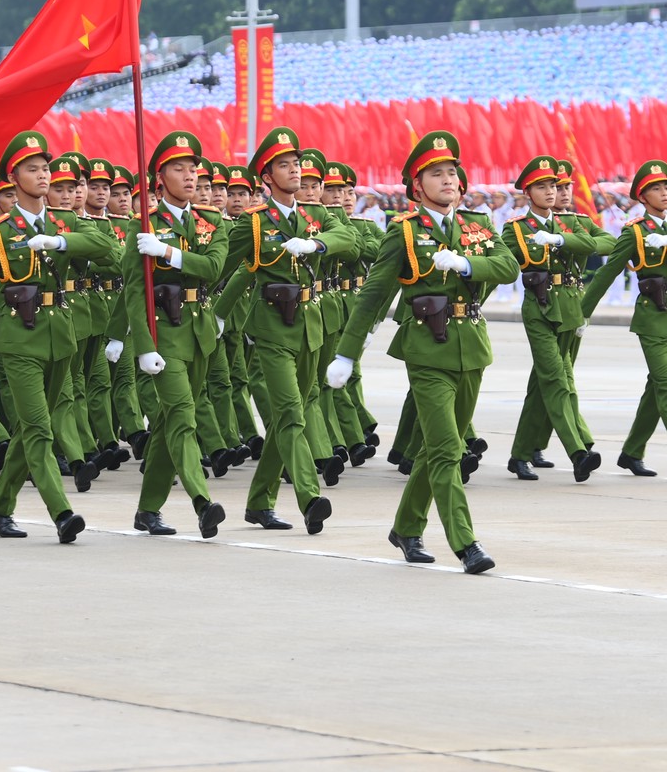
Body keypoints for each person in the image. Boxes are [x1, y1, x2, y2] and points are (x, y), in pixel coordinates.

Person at [328, 130, 514, 574]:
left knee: (435, 449)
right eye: (437, 173)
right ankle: (466, 543)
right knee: (449, 449)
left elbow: (508, 266)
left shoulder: (479, 226)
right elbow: (373, 296)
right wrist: (346, 354)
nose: (448, 179)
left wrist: (468, 263)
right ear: (417, 185)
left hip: (472, 348)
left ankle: (407, 527)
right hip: (427, 350)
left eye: (452, 171)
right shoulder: (405, 233)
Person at [0, 131, 114, 545]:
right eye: (34, 169)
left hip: (60, 333)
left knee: (32, 431)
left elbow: (108, 249)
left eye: (45, 168)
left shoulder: (65, 222)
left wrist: (60, 240)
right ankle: (61, 511)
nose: (44, 176)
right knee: (39, 429)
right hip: (17, 338)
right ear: (14, 178)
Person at [212, 126, 356, 536]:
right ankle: (310, 498)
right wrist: (213, 311)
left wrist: (317, 245)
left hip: (311, 325)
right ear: (267, 178)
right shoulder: (254, 225)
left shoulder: (318, 215)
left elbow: (346, 237)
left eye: (295, 163)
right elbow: (226, 269)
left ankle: (259, 503)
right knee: (291, 413)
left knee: (283, 421)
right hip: (273, 328)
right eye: (284, 166)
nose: (294, 171)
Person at [120, 131, 229, 538]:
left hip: (199, 332)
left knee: (168, 424)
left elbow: (214, 268)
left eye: (192, 168)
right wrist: (143, 346)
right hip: (165, 333)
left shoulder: (210, 222)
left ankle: (148, 510)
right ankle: (203, 503)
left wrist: (167, 253)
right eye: (178, 169)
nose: (188, 175)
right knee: (182, 416)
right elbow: (134, 292)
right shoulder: (143, 225)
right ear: (159, 176)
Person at [581, 160, 667, 481]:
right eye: (656, 188)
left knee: (656, 388)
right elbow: (606, 273)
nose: (665, 193)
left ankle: (631, 452)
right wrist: (582, 312)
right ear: (643, 196)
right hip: (652, 318)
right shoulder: (635, 231)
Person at [503, 155, 599, 482]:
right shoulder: (516, 228)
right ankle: (579, 450)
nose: (550, 191)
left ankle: (520, 455)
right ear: (527, 193)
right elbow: (498, 263)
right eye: (541, 187)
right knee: (558, 379)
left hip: (570, 309)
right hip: (539, 310)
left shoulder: (570, 224)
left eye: (553, 186)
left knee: (543, 385)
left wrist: (561, 239)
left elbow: (604, 242)